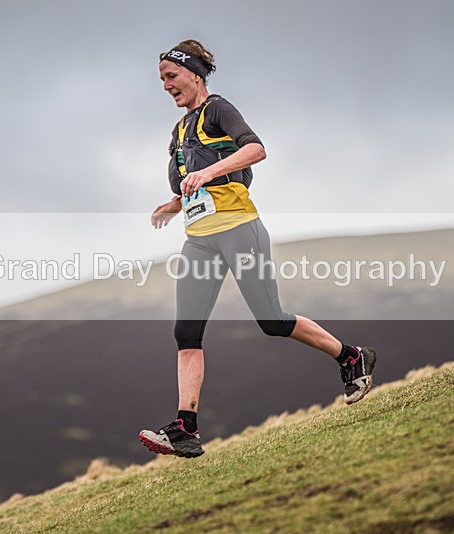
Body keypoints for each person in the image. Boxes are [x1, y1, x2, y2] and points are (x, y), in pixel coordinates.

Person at [139, 40, 376, 458]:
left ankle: (351, 356)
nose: (165, 85)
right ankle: (185, 428)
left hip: (238, 230)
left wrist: (208, 173)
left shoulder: (218, 109)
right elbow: (194, 182)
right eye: (161, 79)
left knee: (272, 320)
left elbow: (255, 149)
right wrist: (174, 205)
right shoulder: (177, 132)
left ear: (194, 73)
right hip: (199, 241)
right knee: (186, 333)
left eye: (171, 76)